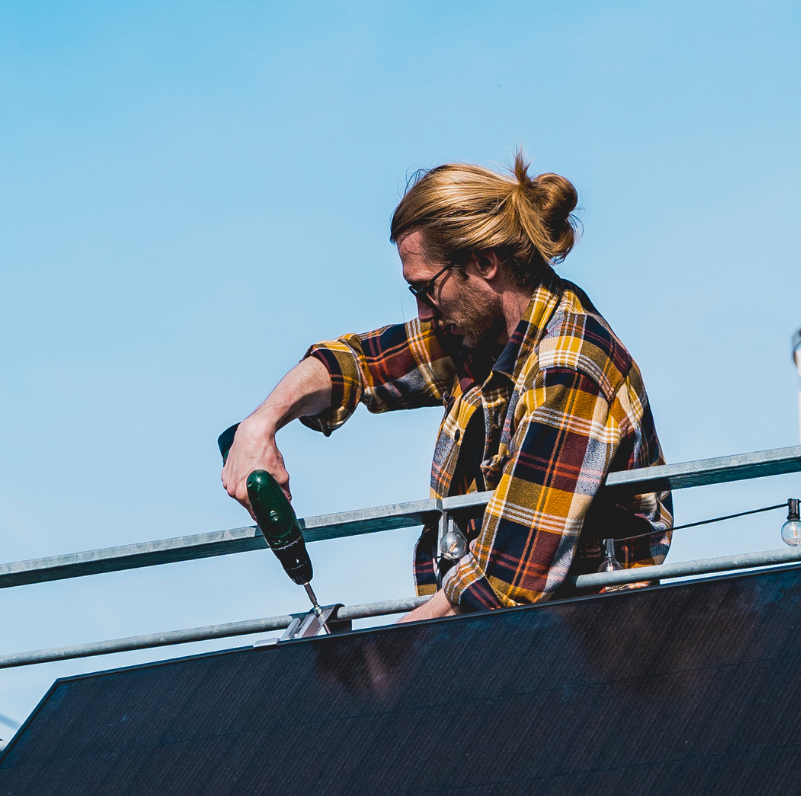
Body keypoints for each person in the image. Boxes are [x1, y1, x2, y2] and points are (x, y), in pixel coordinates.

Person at [222, 157, 671, 621]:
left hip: (589, 639)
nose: (423, 312)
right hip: (506, 639)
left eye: (426, 289)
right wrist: (260, 427)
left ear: (485, 262)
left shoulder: (568, 364)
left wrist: (382, 650)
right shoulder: (477, 334)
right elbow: (354, 364)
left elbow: (504, 578)